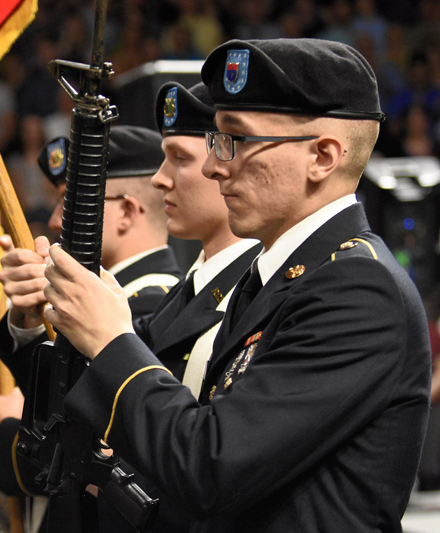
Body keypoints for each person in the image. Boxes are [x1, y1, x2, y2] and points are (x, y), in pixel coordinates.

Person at [42, 39, 432, 532]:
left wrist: (112, 339)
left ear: (323, 156)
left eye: (235, 140)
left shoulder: (359, 290)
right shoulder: (277, 276)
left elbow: (210, 466)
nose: (213, 166)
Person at [0, 84, 262, 533]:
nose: (160, 177)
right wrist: (29, 320)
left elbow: (198, 458)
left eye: (181, 159)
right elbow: (72, 407)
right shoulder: (186, 294)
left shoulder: (237, 296)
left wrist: (4, 431)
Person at [0, 125, 182, 532]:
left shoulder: (155, 303)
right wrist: (27, 319)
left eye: (73, 205)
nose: (55, 221)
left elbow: (92, 451)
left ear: (126, 211)